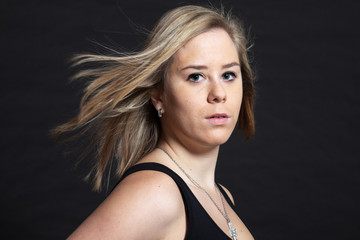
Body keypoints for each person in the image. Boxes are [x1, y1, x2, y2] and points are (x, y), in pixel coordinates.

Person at [53, 4, 255, 240]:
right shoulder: (157, 192)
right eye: (196, 76)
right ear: (159, 96)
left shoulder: (221, 197)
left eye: (228, 75)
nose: (219, 93)